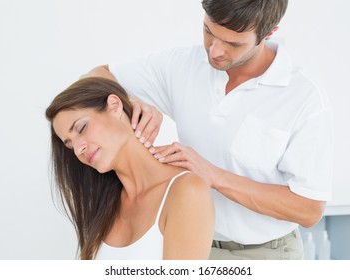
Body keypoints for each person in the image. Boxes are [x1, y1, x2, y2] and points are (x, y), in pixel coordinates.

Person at [83, 0, 333, 259]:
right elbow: (94, 76)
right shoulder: (184, 65)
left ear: (269, 33)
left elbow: (309, 209)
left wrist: (214, 176)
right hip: (186, 242)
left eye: (233, 44)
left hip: (263, 253)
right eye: (208, 32)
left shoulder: (304, 97)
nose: (214, 51)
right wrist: (132, 100)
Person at [45, 77, 214, 260]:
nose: (78, 149)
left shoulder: (186, 190)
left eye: (82, 127)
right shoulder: (104, 203)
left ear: (115, 106)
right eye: (70, 145)